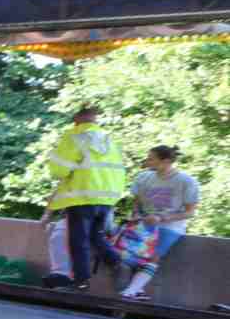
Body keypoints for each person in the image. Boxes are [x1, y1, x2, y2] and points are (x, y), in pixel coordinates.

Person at [40, 105, 125, 290]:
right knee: (95, 235)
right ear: (95, 119)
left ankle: (80, 282)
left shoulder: (75, 136)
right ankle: (115, 260)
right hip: (106, 199)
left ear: (76, 119)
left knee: (77, 241)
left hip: (82, 197)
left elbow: (59, 170)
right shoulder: (108, 139)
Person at [116, 145, 201, 301]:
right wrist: (136, 215)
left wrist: (162, 218)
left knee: (153, 256)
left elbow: (190, 212)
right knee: (130, 255)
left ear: (166, 161)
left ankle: (131, 292)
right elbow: (137, 202)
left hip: (170, 226)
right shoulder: (143, 177)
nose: (147, 161)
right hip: (144, 224)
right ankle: (138, 290)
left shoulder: (186, 181)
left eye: (151, 159)